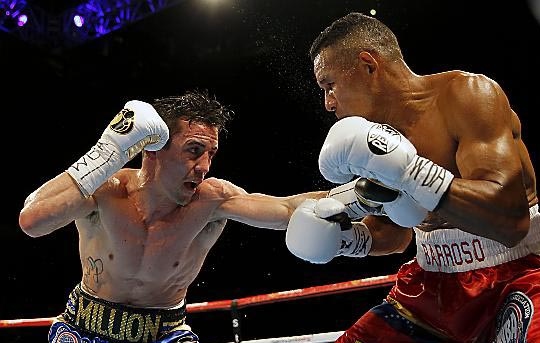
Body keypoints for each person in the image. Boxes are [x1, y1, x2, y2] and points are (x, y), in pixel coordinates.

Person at [284, 12, 539, 342]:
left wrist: (411, 173)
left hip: (520, 272)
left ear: (368, 66)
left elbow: (510, 221)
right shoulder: (382, 141)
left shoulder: (466, 94)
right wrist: (349, 240)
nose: (328, 103)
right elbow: (395, 234)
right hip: (431, 284)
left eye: (330, 85)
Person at [19, 89, 346, 343]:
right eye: (193, 151)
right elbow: (32, 220)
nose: (204, 167)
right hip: (85, 327)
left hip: (166, 332)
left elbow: (287, 209)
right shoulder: (106, 191)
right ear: (151, 148)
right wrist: (108, 152)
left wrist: (357, 192)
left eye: (210, 154)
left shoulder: (211, 200)